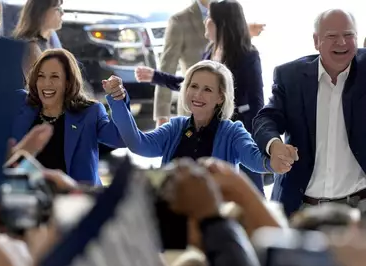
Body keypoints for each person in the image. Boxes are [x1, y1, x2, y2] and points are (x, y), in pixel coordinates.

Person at [136, 0, 265, 193]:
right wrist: (156, 76)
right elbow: (192, 86)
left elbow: (257, 101)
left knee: (250, 191)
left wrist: (258, 137)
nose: (205, 21)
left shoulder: (247, 55)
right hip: (209, 129)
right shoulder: (209, 52)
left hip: (238, 132)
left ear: (222, 24)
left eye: (210, 18)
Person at [252, 9, 366, 217]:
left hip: (359, 209)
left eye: (349, 35)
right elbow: (266, 118)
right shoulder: (291, 77)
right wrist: (275, 145)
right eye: (332, 36)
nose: (342, 42)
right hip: (301, 207)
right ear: (316, 41)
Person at [112, 60, 288, 176]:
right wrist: (119, 101)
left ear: (221, 97)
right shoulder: (175, 127)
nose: (197, 94)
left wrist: (275, 162)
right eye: (194, 86)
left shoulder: (232, 132)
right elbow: (138, 144)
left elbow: (255, 160)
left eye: (207, 89)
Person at [11, 48, 133, 184]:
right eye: (41, 76)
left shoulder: (90, 112)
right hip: (25, 195)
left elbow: (123, 139)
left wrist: (118, 99)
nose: (46, 83)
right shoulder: (20, 103)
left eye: (54, 77)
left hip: (75, 197)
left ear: (68, 82)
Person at [12, 0, 64, 76]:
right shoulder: (30, 46)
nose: (62, 13)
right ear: (41, 12)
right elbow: (40, 85)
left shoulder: (48, 42)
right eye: (57, 8)